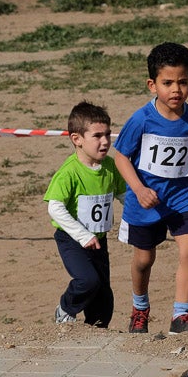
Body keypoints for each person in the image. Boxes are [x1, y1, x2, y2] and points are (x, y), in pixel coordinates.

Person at [112, 42, 188, 335]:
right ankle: (139, 308)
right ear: (152, 85)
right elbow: (121, 157)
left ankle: (180, 316)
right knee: (144, 259)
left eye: (182, 82)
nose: (176, 90)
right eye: (167, 83)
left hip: (183, 196)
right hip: (146, 200)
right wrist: (138, 189)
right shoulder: (141, 120)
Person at [44, 101, 126, 328]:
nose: (105, 141)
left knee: (104, 293)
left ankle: (96, 329)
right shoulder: (69, 172)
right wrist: (82, 235)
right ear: (77, 139)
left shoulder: (110, 166)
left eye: (107, 134)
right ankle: (65, 309)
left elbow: (124, 195)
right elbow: (55, 208)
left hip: (99, 240)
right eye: (97, 136)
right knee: (87, 281)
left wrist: (144, 208)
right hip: (72, 239)